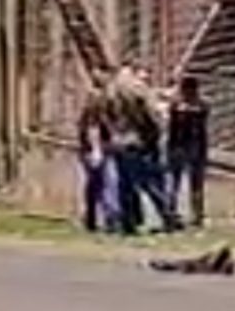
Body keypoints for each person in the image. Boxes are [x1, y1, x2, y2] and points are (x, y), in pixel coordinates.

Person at [108, 64, 178, 234]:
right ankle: (167, 215)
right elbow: (151, 116)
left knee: (125, 184)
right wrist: (155, 135)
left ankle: (129, 222)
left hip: (119, 140)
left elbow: (108, 115)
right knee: (147, 181)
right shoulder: (138, 91)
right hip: (137, 141)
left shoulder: (112, 91)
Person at [165, 74, 210, 229]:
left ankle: (172, 211)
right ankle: (196, 215)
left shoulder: (177, 105)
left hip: (179, 146)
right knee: (195, 183)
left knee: (176, 181)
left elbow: (171, 123)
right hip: (195, 147)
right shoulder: (203, 104)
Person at [76, 82, 115, 233]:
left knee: (100, 187)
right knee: (100, 187)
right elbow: (87, 136)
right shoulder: (88, 121)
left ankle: (104, 218)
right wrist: (92, 152)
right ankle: (99, 219)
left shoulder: (100, 119)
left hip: (98, 153)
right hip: (93, 154)